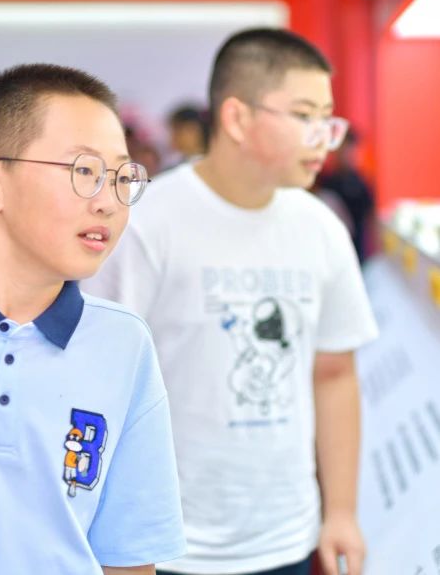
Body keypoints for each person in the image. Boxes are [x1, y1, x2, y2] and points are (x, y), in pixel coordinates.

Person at [84, 29, 378, 575]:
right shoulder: (148, 222)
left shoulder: (322, 228)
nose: (325, 137)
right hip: (167, 544)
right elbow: (98, 379)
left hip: (287, 538)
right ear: (238, 118)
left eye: (329, 119)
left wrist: (341, 511)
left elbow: (335, 375)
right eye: (305, 116)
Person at [0, 64, 185, 575]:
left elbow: (127, 556)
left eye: (122, 177)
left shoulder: (124, 344)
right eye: (84, 172)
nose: (108, 202)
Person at [316, 128, 374, 264]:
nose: (348, 155)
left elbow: (371, 219)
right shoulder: (326, 182)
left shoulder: (361, 183)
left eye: (352, 150)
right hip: (330, 253)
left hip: (358, 252)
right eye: (344, 150)